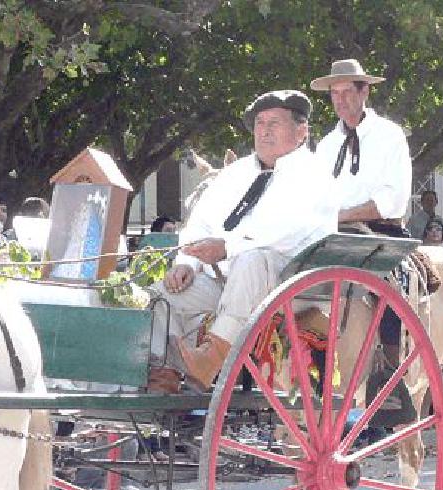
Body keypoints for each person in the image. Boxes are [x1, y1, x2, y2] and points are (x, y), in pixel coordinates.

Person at [146, 90, 337, 393]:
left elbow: (287, 227)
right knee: (160, 297)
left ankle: (211, 358)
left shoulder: (314, 173)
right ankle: (165, 372)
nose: (264, 131)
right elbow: (201, 222)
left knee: (252, 259)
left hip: (290, 283)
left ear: (301, 132)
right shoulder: (235, 174)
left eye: (275, 123)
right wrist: (187, 262)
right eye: (260, 123)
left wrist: (227, 247)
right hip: (228, 283)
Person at [311, 58, 416, 424]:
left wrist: (341, 216)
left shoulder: (390, 135)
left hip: (381, 231)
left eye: (345, 92)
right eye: (333, 94)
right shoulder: (325, 146)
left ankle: (387, 372)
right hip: (333, 236)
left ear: (364, 91)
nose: (339, 100)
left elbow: (393, 199)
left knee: (389, 287)